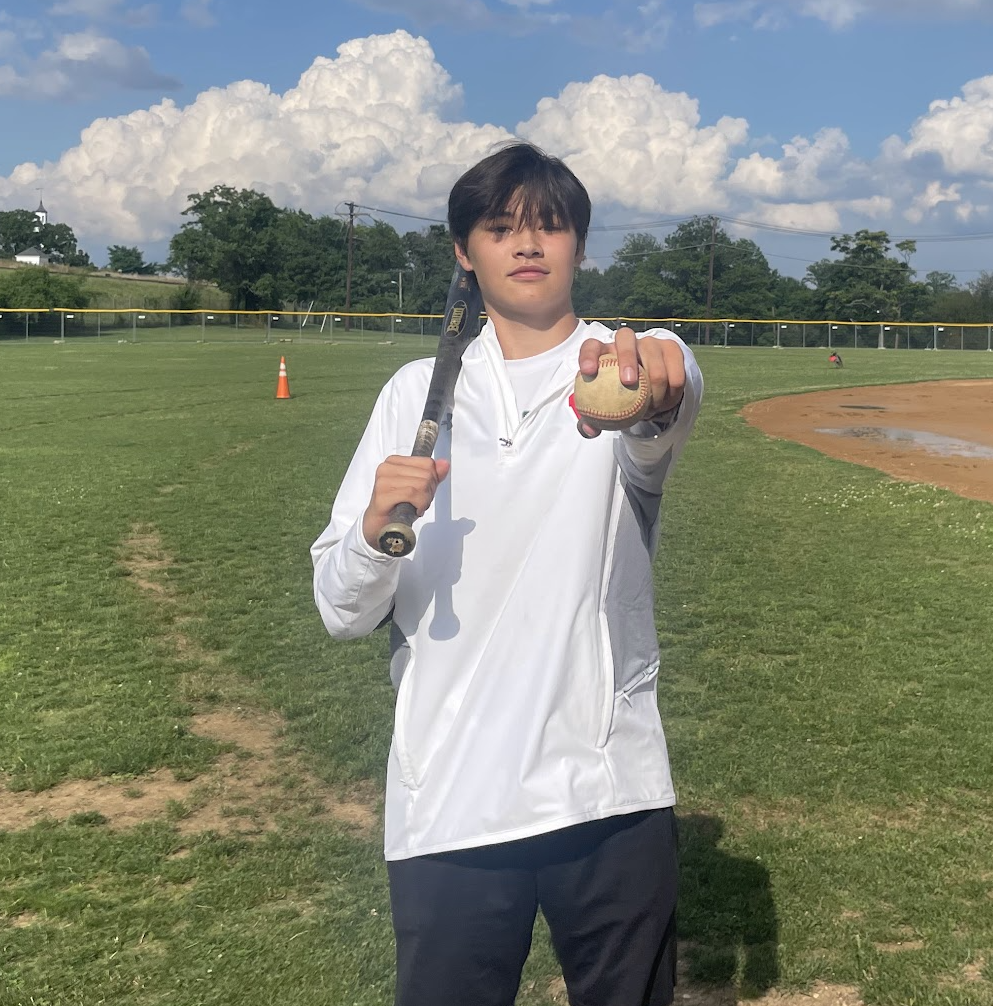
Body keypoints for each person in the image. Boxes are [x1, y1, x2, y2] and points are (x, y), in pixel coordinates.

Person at [311, 141, 704, 1006]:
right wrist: (376, 533)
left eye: (549, 227)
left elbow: (663, 397)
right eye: (499, 228)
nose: (527, 245)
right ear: (464, 251)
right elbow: (341, 612)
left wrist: (660, 387)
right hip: (447, 791)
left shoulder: (622, 363)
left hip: (604, 785)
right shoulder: (415, 394)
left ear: (579, 246)